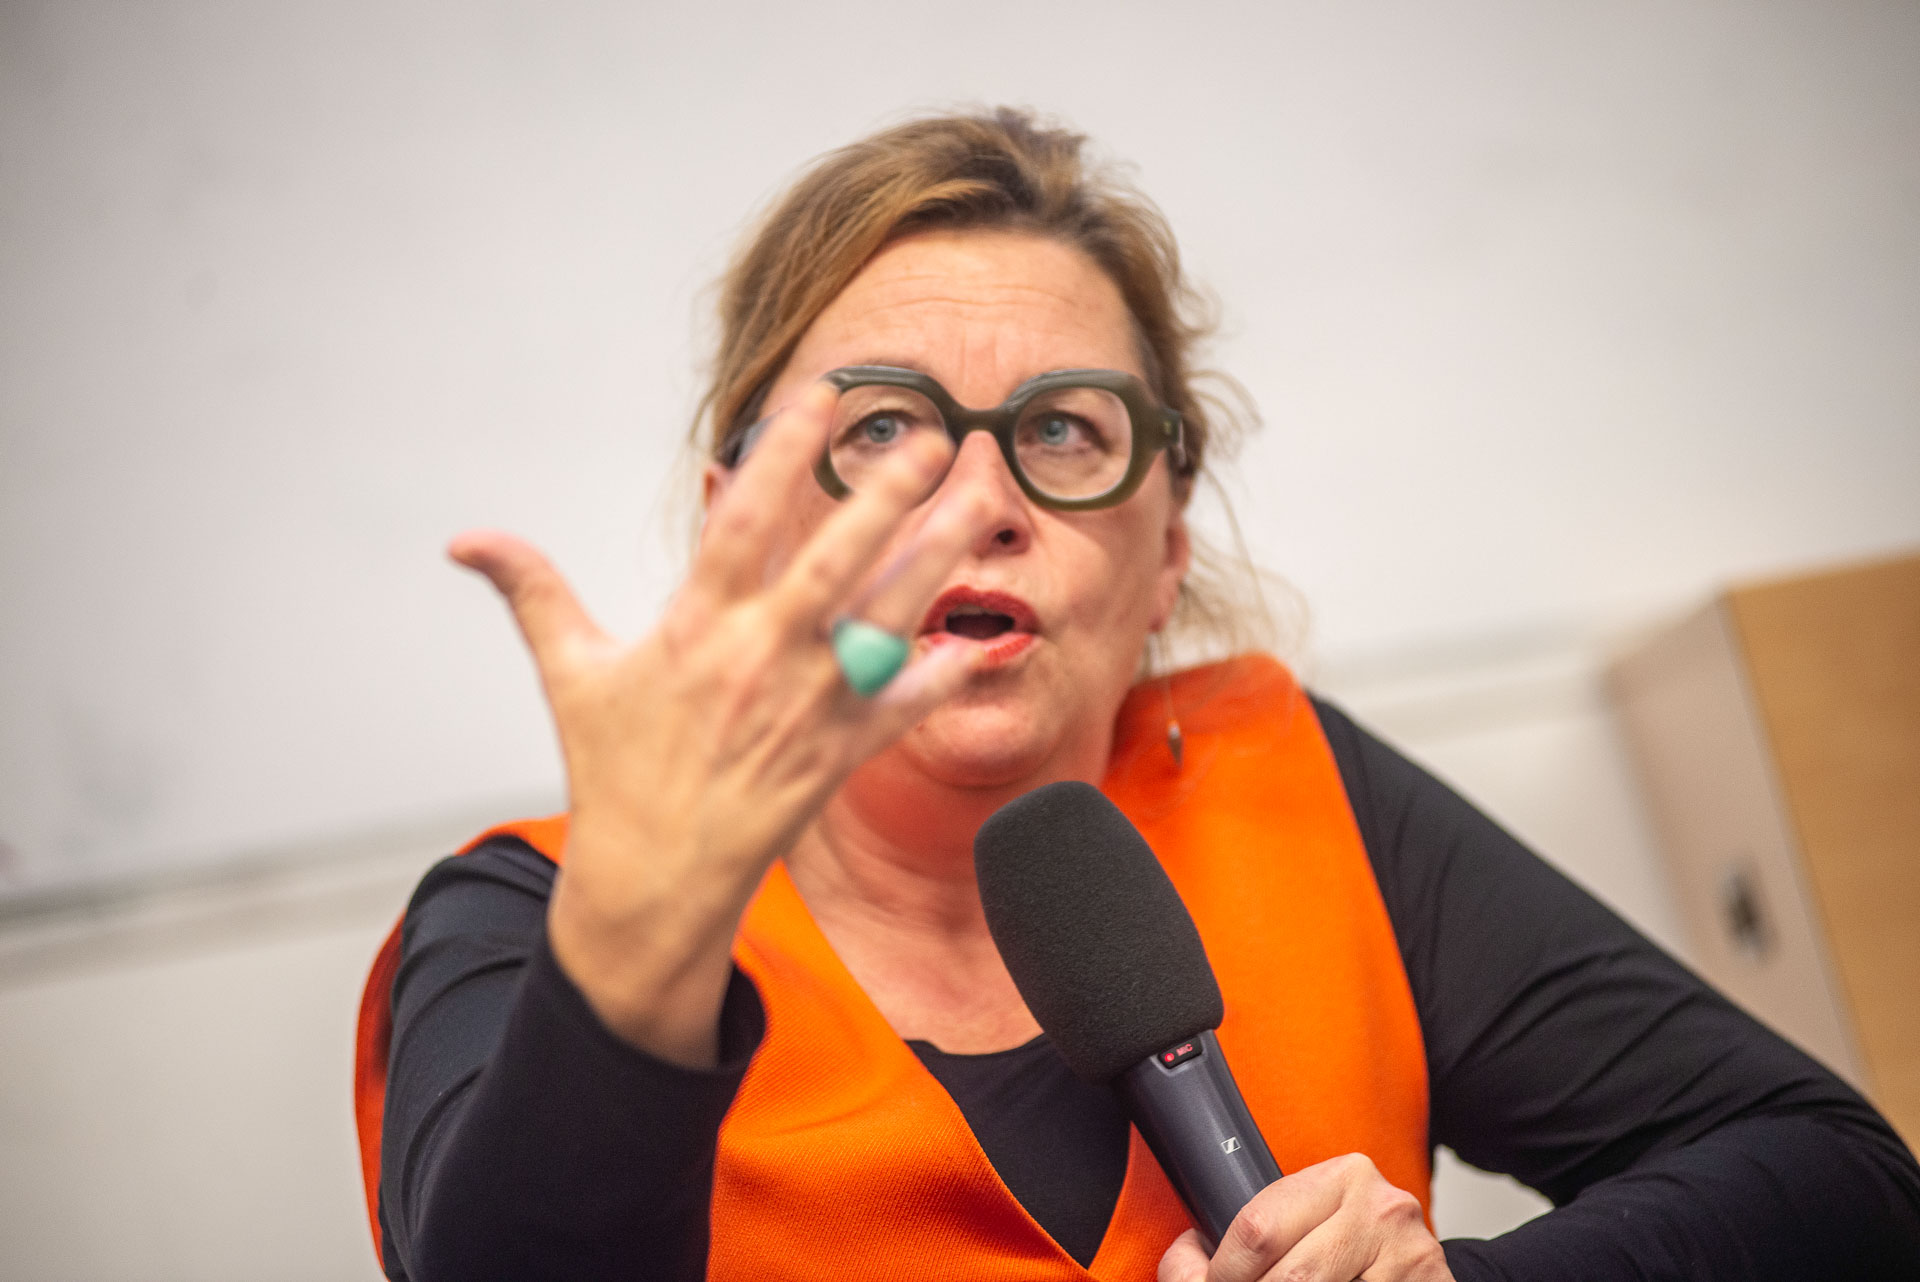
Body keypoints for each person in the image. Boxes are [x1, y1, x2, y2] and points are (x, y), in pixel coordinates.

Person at [353, 108, 1920, 1281]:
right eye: (884, 428)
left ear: (1166, 553)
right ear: (743, 523)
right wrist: (642, 946)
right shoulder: (531, 913)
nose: (980, 501)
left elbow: (1838, 1179)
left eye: (1065, 432)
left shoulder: (1286, 782)